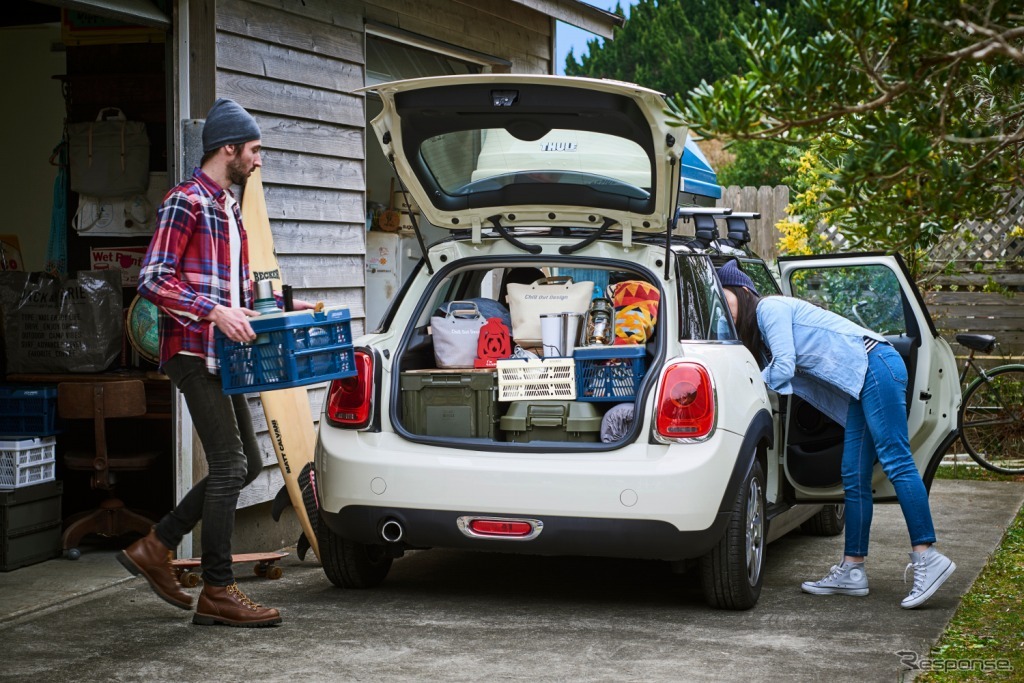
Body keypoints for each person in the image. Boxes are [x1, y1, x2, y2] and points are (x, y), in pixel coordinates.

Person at [123, 98, 310, 627]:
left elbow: (237, 290)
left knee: (246, 463)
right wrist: (214, 313)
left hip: (221, 357)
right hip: (190, 350)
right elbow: (153, 279)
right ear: (228, 149)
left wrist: (287, 308)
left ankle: (156, 545)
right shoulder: (186, 201)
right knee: (229, 465)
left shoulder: (230, 209)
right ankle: (217, 589)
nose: (259, 160)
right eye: (254, 150)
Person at [717, 259, 955, 609]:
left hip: (876, 366)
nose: (725, 310)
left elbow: (784, 365)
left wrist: (742, 382)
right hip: (861, 381)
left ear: (742, 291)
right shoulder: (761, 333)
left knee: (896, 460)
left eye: (726, 300)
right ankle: (853, 569)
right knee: (853, 476)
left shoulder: (770, 308)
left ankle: (928, 556)